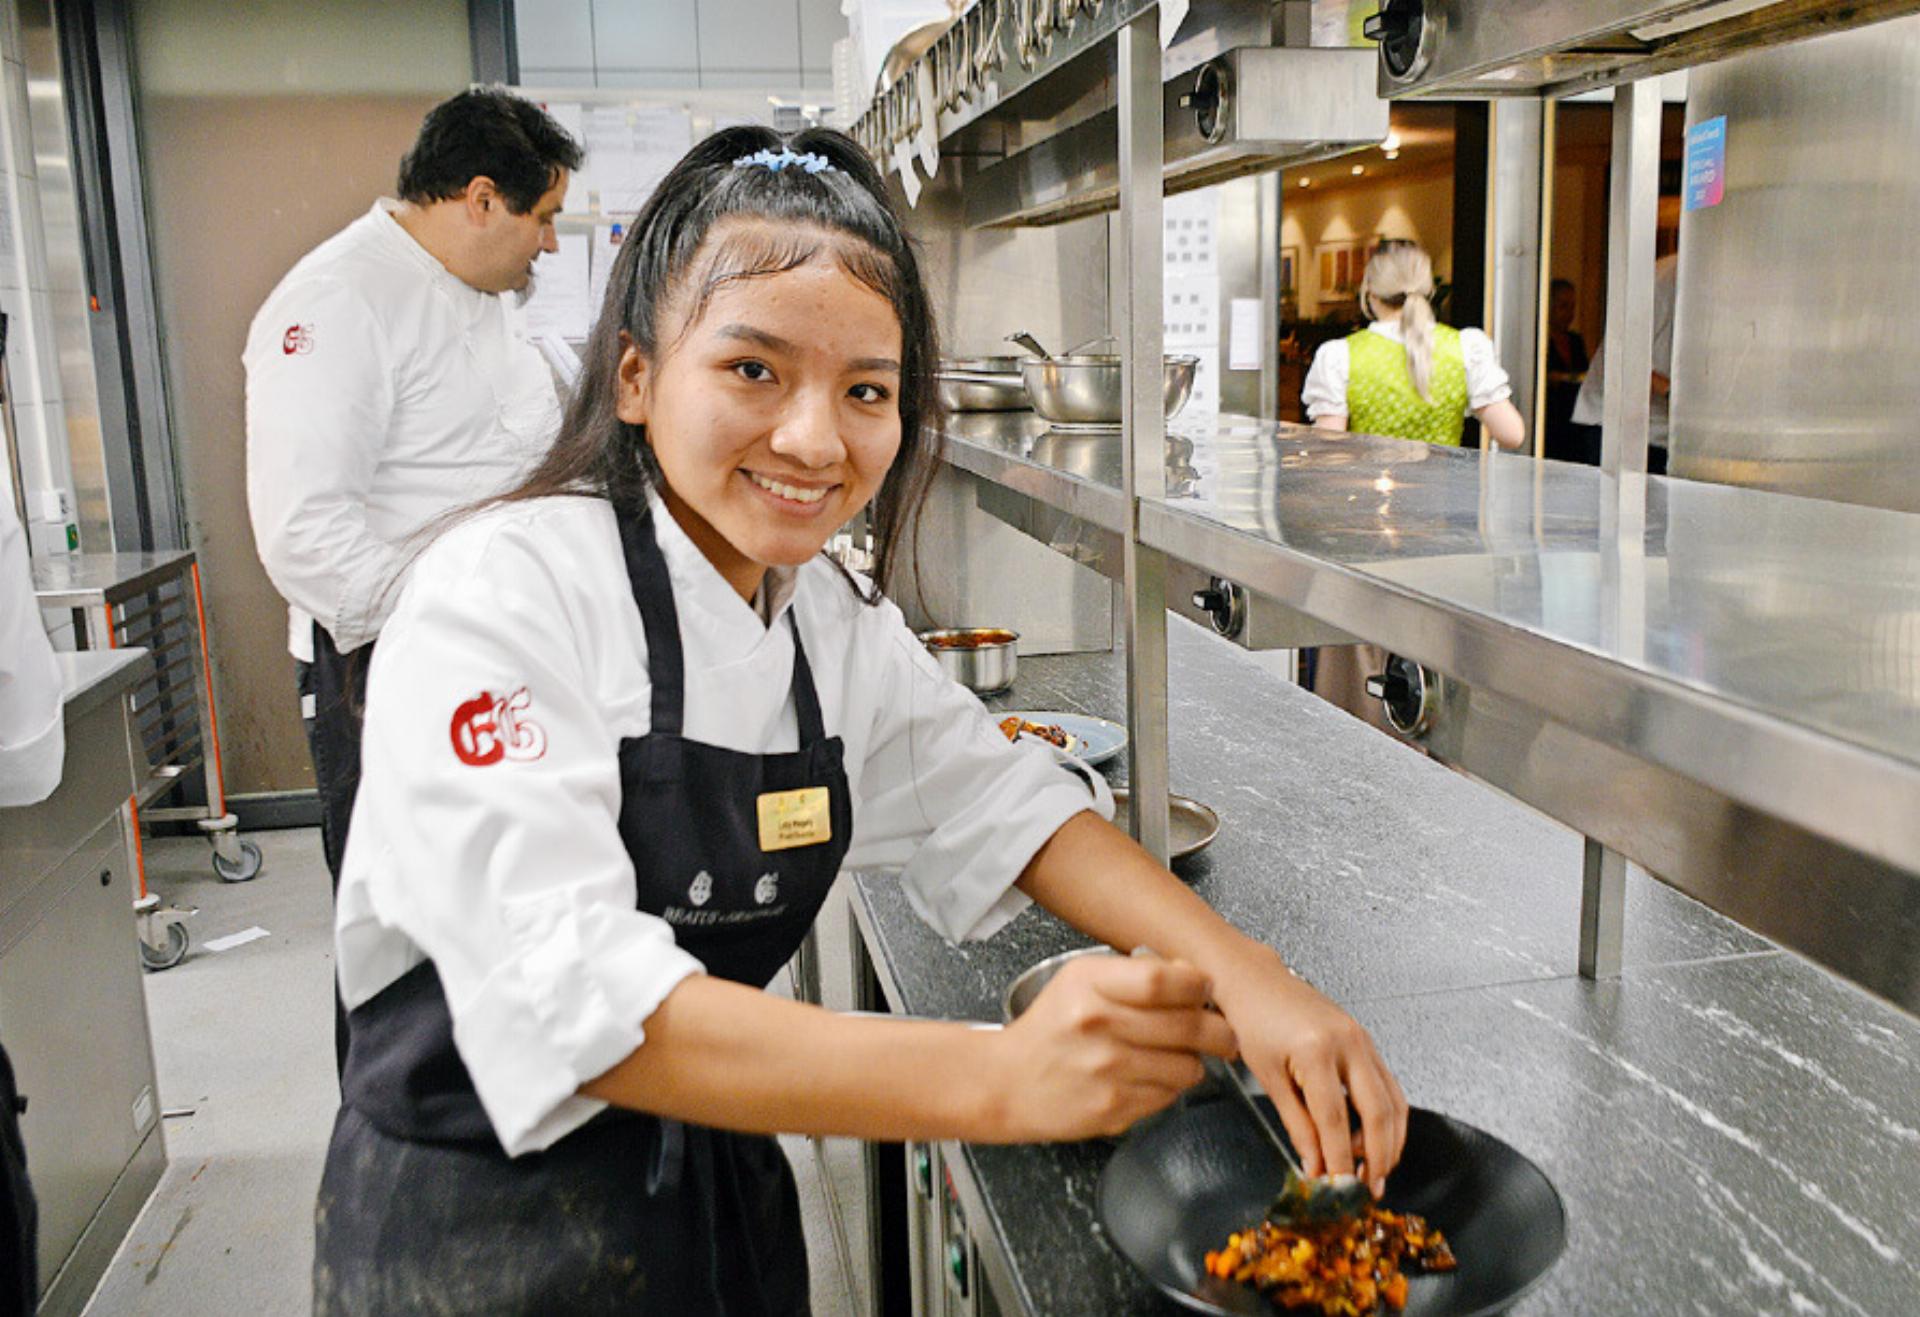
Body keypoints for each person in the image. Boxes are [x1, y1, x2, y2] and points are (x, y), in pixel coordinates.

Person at [311, 126, 1409, 1315]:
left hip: (721, 1185)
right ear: (635, 376)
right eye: (753, 370)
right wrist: (1002, 1080)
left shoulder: (822, 611)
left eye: (867, 390)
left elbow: (1001, 799)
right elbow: (561, 995)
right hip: (478, 1230)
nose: (815, 440)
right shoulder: (499, 593)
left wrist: (1244, 973)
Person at [243, 90, 582, 1073]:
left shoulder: (482, 297)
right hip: (384, 672)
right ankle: (392, 1171)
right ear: (481, 200)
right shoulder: (339, 302)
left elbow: (502, 435)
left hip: (495, 663)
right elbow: (305, 535)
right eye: (545, 218)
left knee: (494, 922)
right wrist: (467, 604)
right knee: (405, 945)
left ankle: (496, 1157)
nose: (552, 246)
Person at [1302, 238, 1526, 451]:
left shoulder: (1340, 355)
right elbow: (1512, 435)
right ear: (1428, 289)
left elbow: (1329, 448)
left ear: (1370, 291)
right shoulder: (1466, 348)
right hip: (1441, 490)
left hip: (1369, 489)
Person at [1572, 251, 1677, 475]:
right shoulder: (1664, 280)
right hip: (1620, 427)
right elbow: (1622, 355)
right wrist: (1674, 393)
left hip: (1665, 432)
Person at [1543, 278, 1598, 465]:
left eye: (1572, 307)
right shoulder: (1540, 338)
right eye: (1563, 306)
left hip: (1574, 418)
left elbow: (1585, 372)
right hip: (1550, 418)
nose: (1569, 314)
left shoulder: (1575, 340)